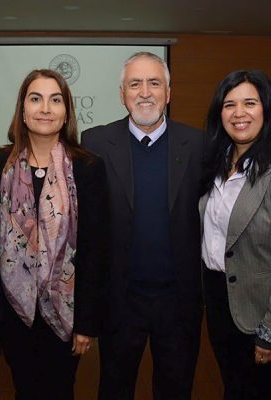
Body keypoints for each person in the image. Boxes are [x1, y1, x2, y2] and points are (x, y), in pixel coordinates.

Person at [81, 52, 203, 400]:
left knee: (176, 389)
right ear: (122, 94)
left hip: (178, 301)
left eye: (154, 83)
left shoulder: (198, 145)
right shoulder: (95, 143)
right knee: (114, 389)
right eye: (135, 84)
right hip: (121, 299)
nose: (145, 92)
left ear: (169, 92)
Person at [0, 69, 108, 400]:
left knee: (61, 390)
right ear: (22, 110)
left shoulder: (87, 167)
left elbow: (95, 249)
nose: (45, 108)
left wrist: (86, 322)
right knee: (23, 390)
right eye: (36, 98)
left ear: (67, 111)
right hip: (15, 314)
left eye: (55, 100)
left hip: (66, 312)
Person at [200, 70, 271, 399]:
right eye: (229, 104)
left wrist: (268, 332)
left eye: (250, 103)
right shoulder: (215, 162)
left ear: (265, 110)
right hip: (218, 299)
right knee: (232, 384)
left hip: (259, 310)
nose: (239, 112)